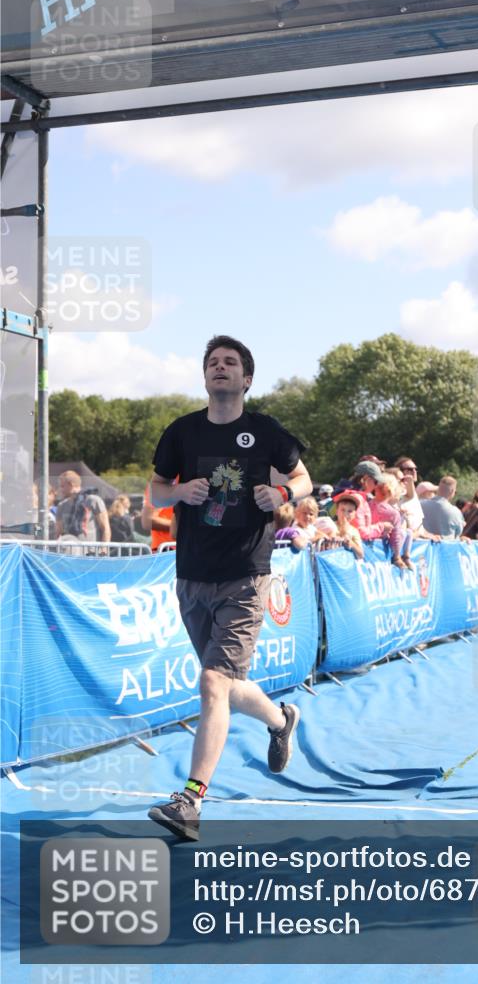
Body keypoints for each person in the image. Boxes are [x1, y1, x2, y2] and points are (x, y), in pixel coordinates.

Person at [147, 335, 312, 841]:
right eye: (213, 362)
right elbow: (156, 491)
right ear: (205, 377)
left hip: (246, 574)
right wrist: (179, 490)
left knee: (214, 683)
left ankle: (191, 800)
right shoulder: (182, 431)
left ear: (246, 379)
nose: (220, 367)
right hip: (192, 576)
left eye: (230, 362)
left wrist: (281, 492)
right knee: (226, 684)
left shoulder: (265, 431)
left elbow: (304, 479)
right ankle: (281, 720)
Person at [55, 471, 111, 546]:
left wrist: (104, 549)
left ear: (71, 485)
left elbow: (105, 528)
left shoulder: (93, 501)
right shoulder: (61, 506)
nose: (60, 490)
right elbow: (58, 532)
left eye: (62, 486)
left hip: (89, 551)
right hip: (68, 550)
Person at [422, 475, 465, 540]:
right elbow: (458, 533)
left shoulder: (421, 505)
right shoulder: (456, 512)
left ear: (438, 489)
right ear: (452, 491)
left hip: (423, 544)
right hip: (447, 545)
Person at [332, 490, 365, 559]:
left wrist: (352, 544)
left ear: (354, 514)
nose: (345, 514)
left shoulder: (354, 531)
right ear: (337, 511)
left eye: (350, 511)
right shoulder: (331, 525)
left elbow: (361, 555)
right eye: (342, 510)